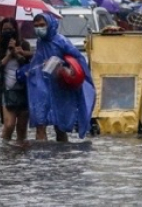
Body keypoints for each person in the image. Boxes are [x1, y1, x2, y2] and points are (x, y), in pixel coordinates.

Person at [26, 13, 95, 142]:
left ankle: (61, 157)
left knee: (60, 127)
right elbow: (37, 61)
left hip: (60, 88)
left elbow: (78, 60)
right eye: (36, 26)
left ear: (49, 24)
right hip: (42, 88)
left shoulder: (61, 41)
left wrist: (62, 66)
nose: (39, 28)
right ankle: (42, 158)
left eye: (42, 25)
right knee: (40, 123)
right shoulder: (40, 42)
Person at [0, 18, 31, 143]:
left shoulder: (24, 45)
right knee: (9, 125)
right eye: (4, 29)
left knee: (21, 128)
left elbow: (27, 63)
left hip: (23, 90)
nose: (7, 32)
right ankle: (5, 152)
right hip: (7, 91)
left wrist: (17, 52)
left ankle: (19, 155)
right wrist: (8, 55)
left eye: (10, 29)